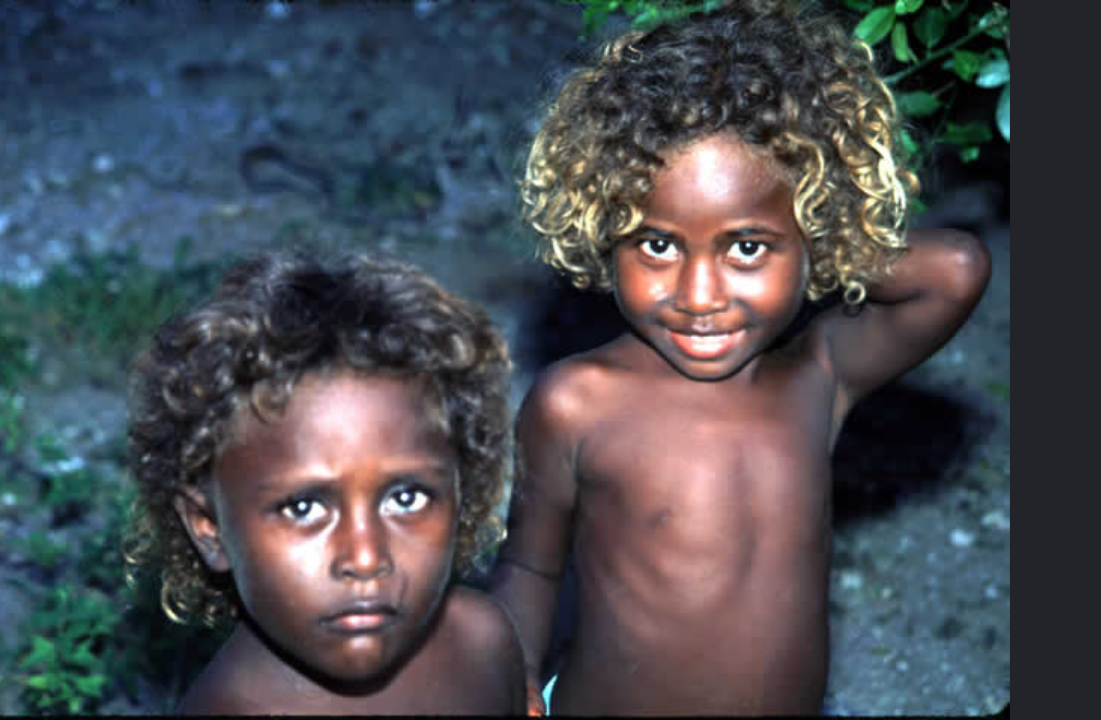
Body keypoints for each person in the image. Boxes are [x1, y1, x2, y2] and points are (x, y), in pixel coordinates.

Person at [488, 0, 993, 714]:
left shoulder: (818, 378)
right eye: (657, 243)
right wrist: (512, 672)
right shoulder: (578, 402)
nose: (699, 295)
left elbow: (955, 270)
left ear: (812, 229)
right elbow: (531, 568)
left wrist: (835, 231)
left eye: (746, 247)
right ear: (606, 230)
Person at [123, 251, 527, 715]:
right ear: (208, 526)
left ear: (462, 492)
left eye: (406, 497)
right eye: (303, 508)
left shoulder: (482, 643)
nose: (365, 558)